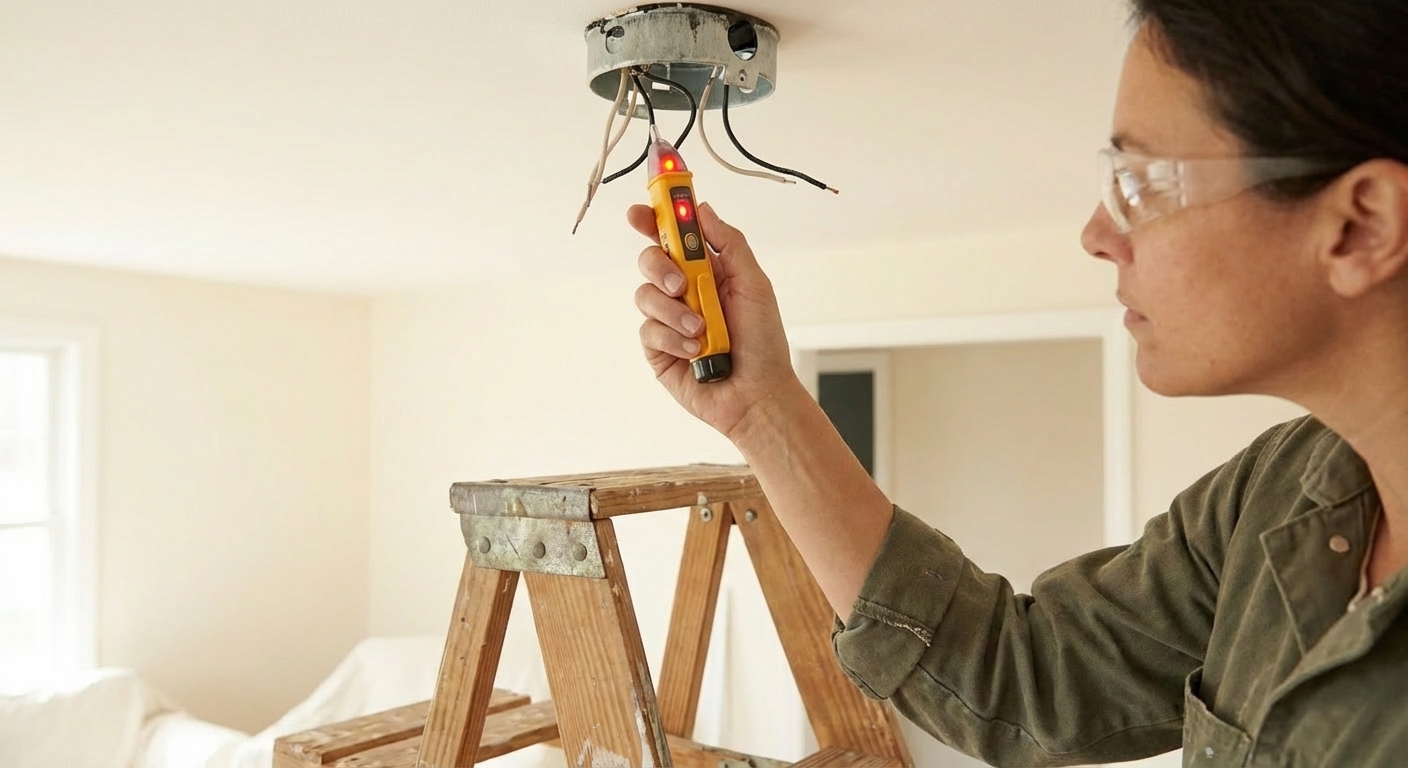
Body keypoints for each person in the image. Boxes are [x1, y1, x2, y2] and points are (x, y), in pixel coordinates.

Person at [629, 0, 1408, 766]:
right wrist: (763, 410)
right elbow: (1024, 676)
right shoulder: (1279, 494)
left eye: (1142, 183)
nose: (1097, 235)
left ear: (1361, 226)